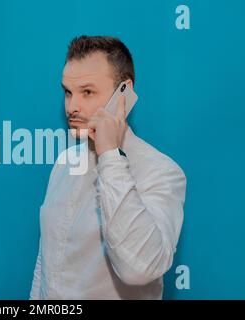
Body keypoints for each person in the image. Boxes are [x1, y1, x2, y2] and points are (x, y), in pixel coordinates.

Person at [29, 36, 187, 299]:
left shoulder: (162, 172)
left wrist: (110, 155)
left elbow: (140, 269)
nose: (72, 107)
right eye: (68, 92)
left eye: (87, 92)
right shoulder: (63, 164)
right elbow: (45, 265)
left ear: (123, 92)